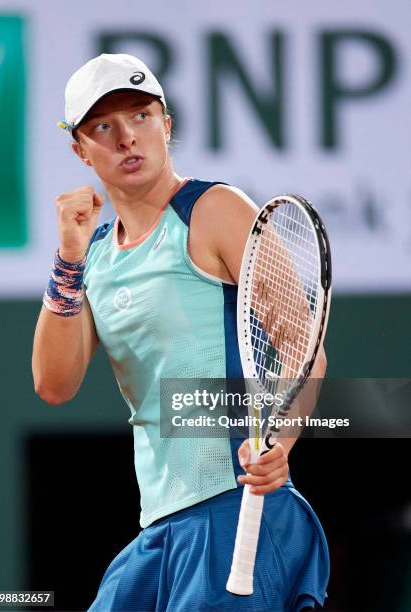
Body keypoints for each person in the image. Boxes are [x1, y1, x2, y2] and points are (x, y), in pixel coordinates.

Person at [32, 53, 329, 611]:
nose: (127, 137)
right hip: (161, 529)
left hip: (238, 509)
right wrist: (68, 259)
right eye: (103, 126)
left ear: (166, 124)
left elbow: (304, 348)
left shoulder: (214, 209)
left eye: (142, 116)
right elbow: (53, 384)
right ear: (80, 149)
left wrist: (278, 446)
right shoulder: (93, 257)